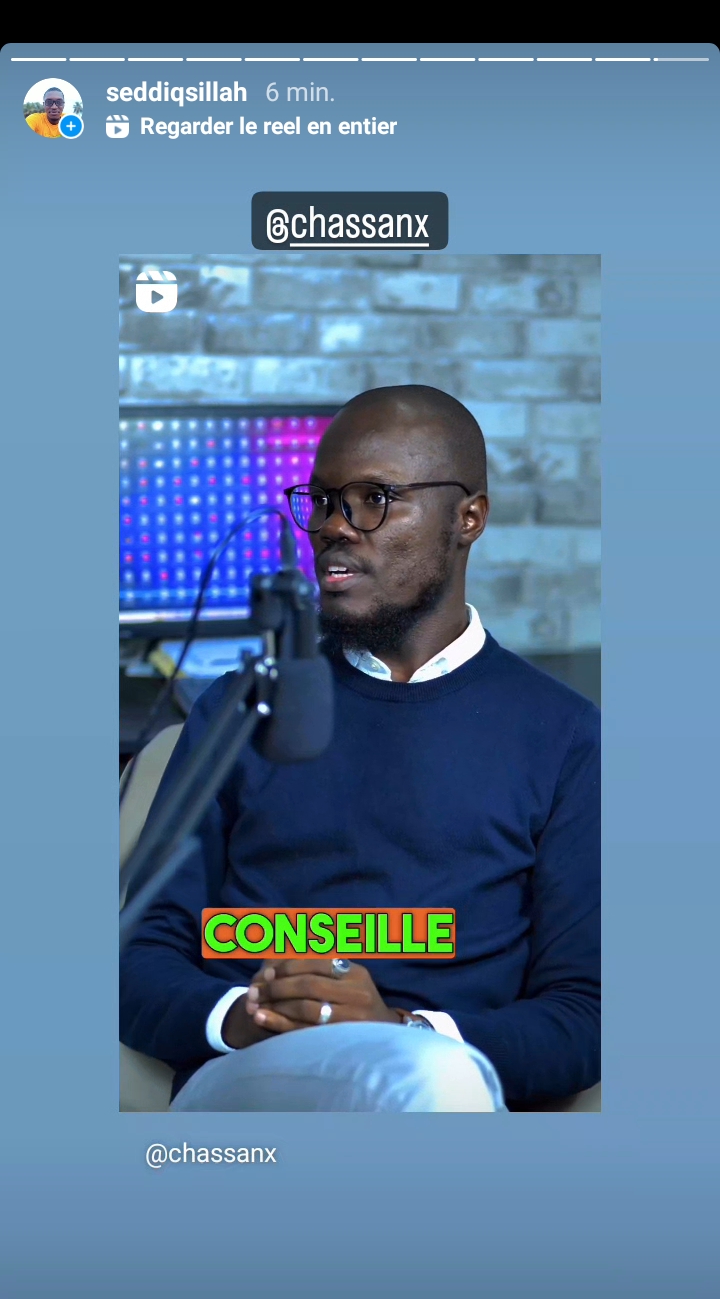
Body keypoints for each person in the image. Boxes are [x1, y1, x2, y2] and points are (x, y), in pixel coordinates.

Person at [120, 385, 600, 1112]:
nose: (333, 527)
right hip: (255, 1069)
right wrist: (248, 1017)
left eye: (373, 499)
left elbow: (583, 1017)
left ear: (468, 519)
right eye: (322, 501)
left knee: (435, 1080)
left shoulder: (565, 735)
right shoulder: (238, 711)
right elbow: (140, 954)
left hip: (451, 1083)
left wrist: (403, 1030)